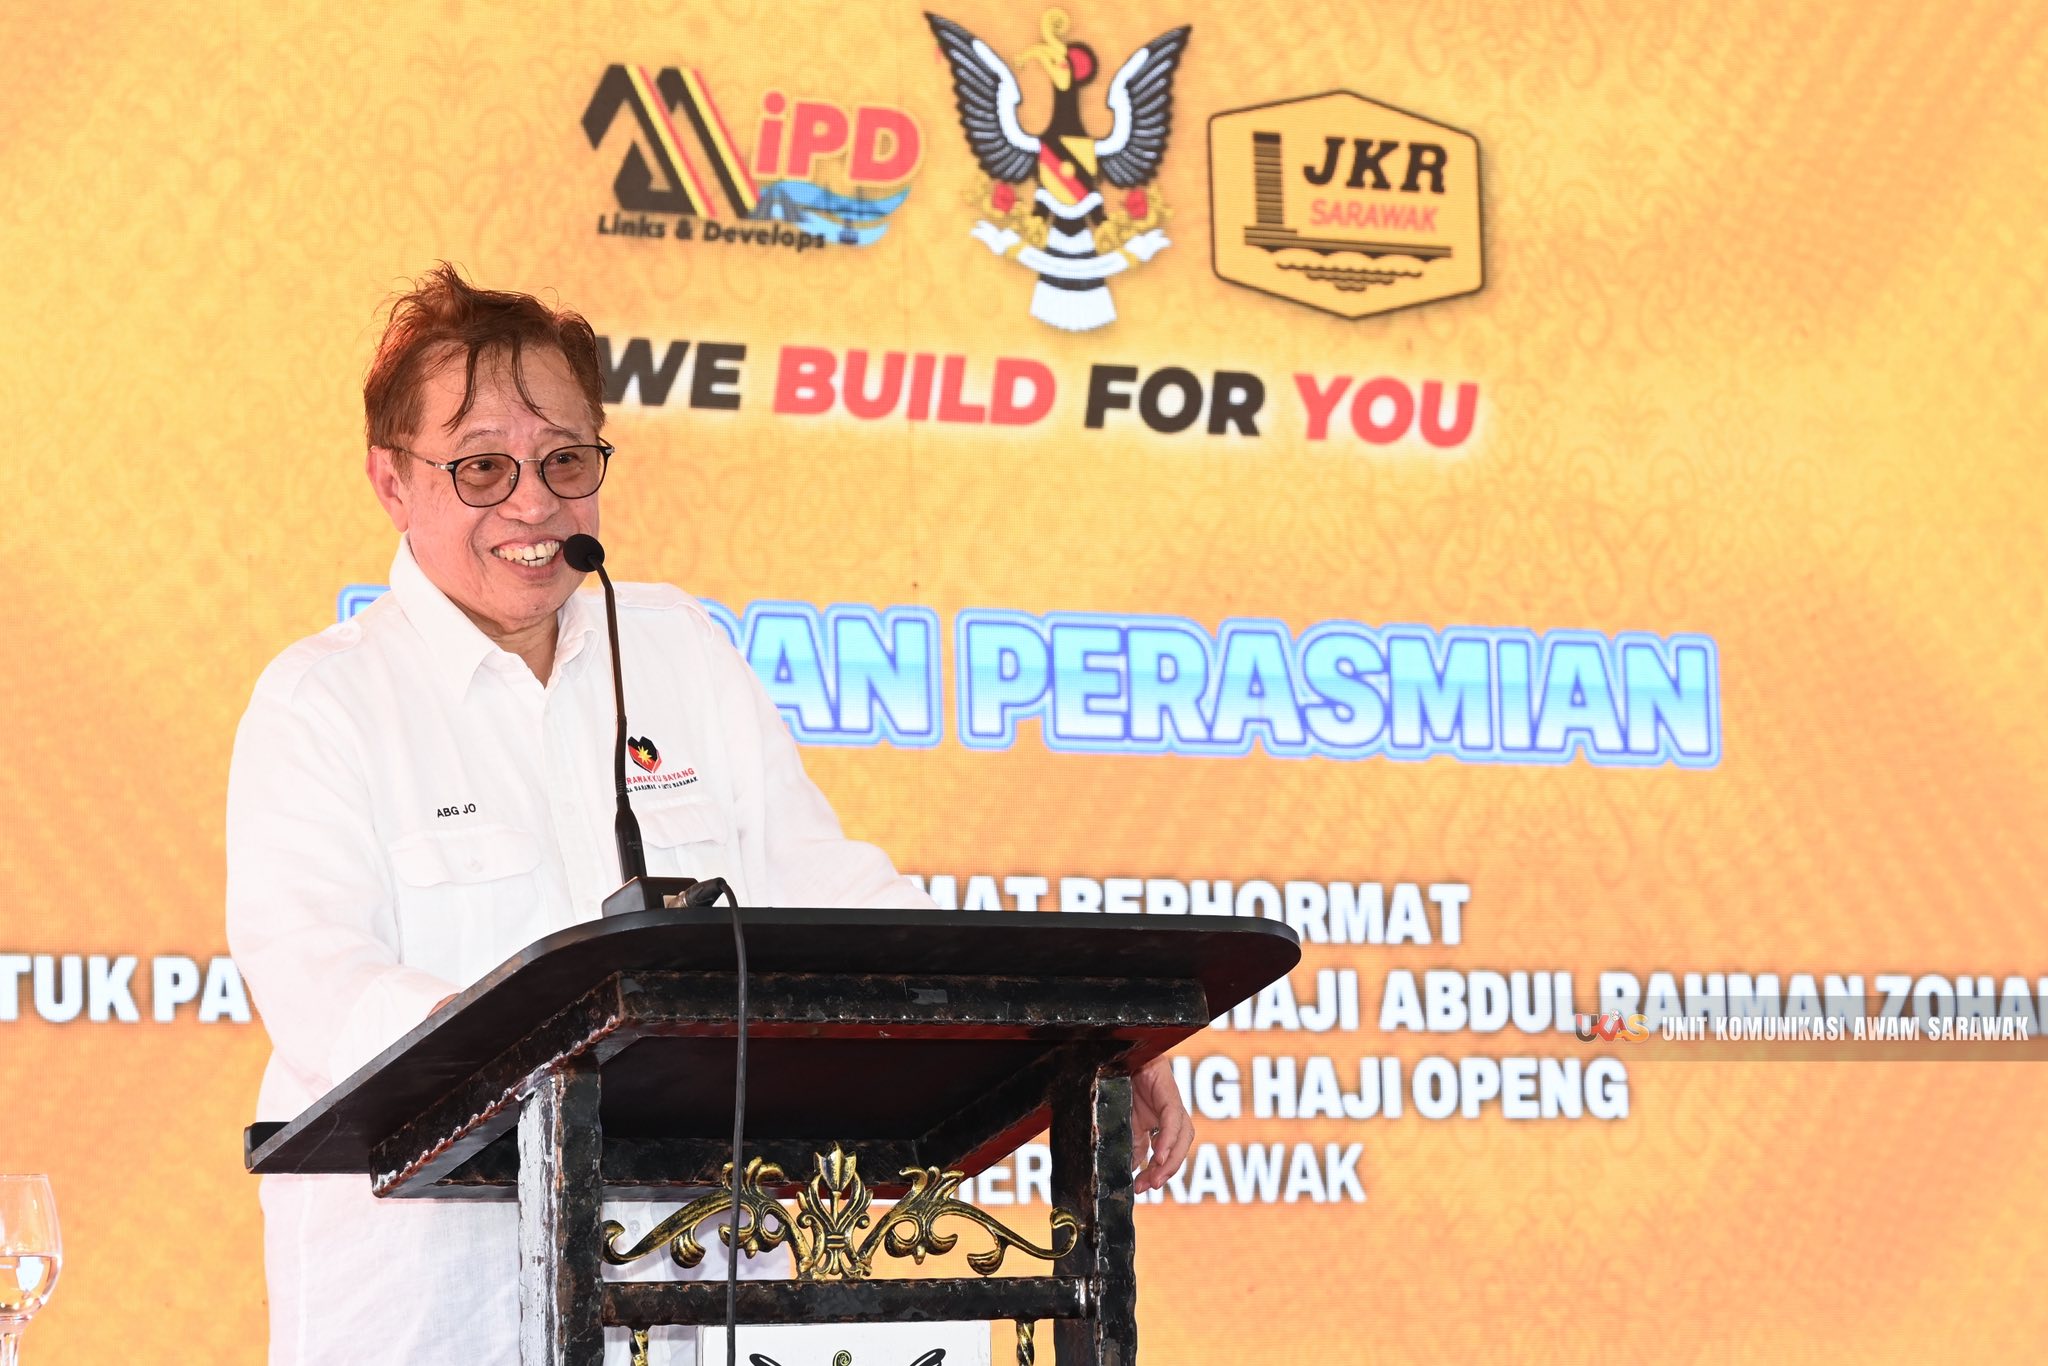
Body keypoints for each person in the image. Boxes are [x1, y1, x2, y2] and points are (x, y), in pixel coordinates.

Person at [225, 263, 1195, 1365]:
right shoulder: (326, 700)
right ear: (392, 482)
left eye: (564, 460)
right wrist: (516, 1055)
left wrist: (1066, 1028)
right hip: (443, 1305)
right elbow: (316, 976)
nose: (532, 505)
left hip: (699, 1297)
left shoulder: (676, 649)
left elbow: (823, 887)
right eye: (482, 467)